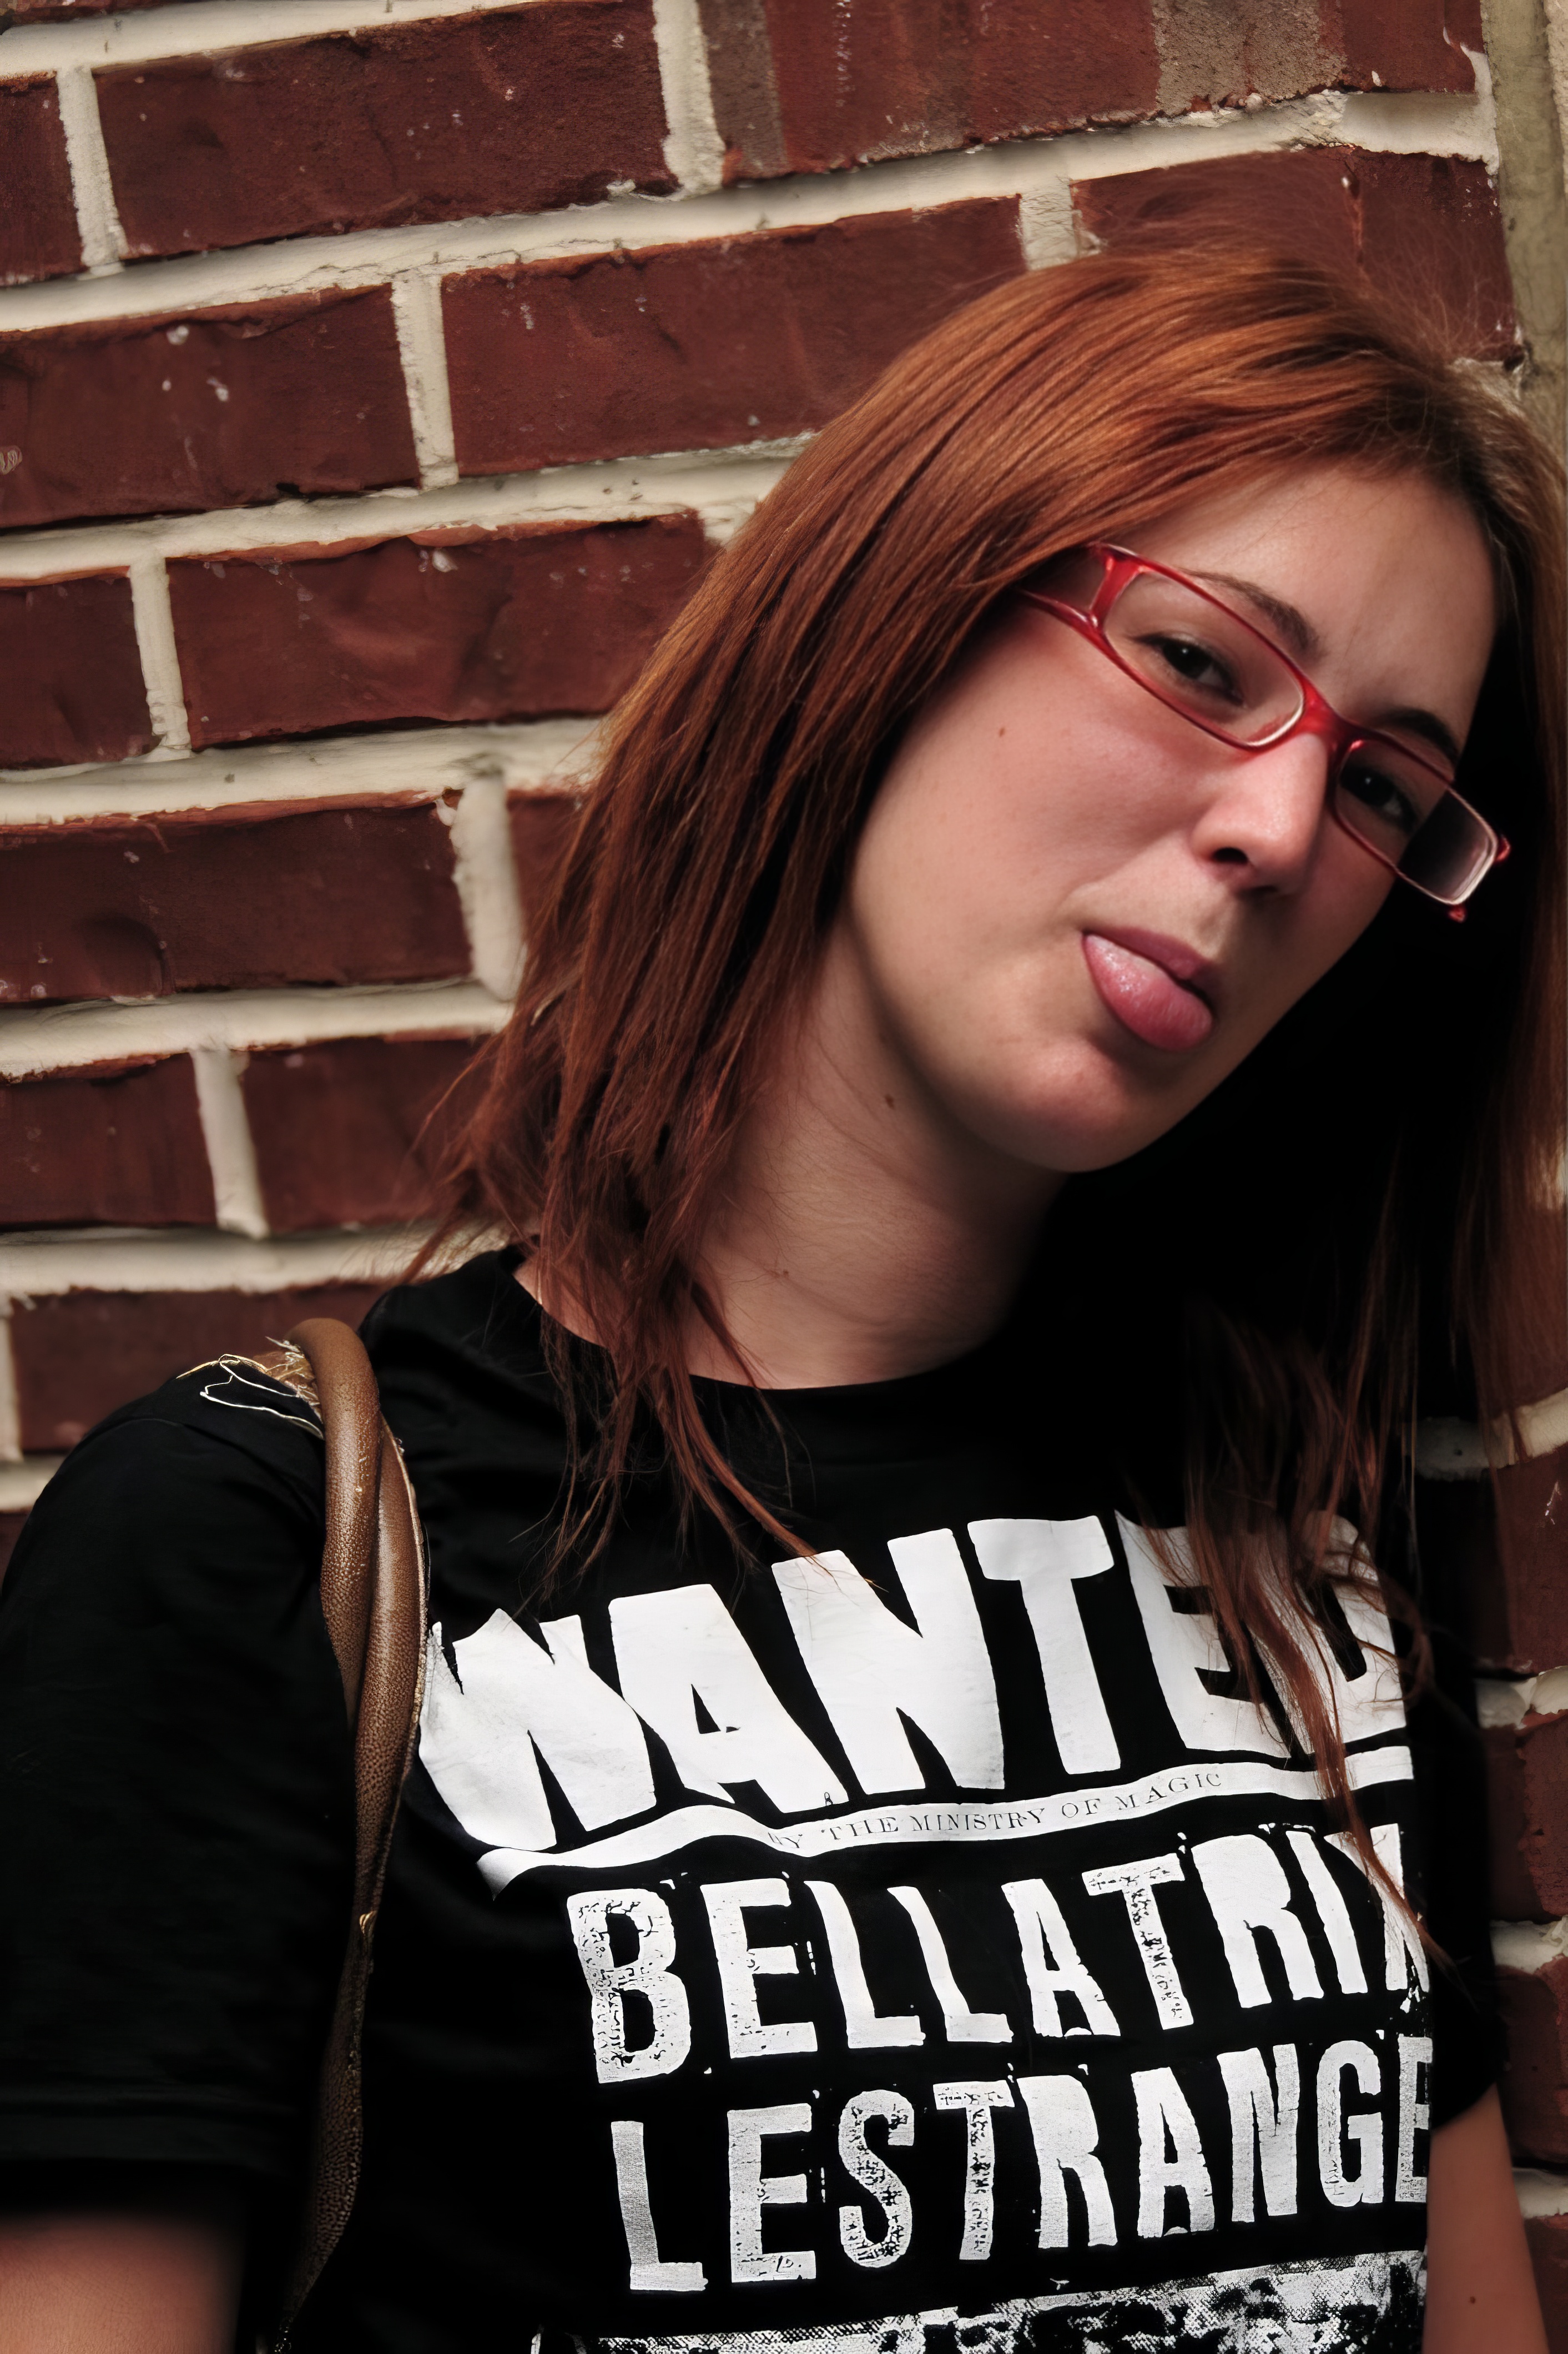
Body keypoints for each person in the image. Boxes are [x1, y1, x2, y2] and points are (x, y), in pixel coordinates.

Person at [0, 247, 1560, 2354]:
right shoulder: (254, 1550)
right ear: (895, 616)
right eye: (1199, 661)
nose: (1281, 826)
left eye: (1382, 787)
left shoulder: (1299, 1558)